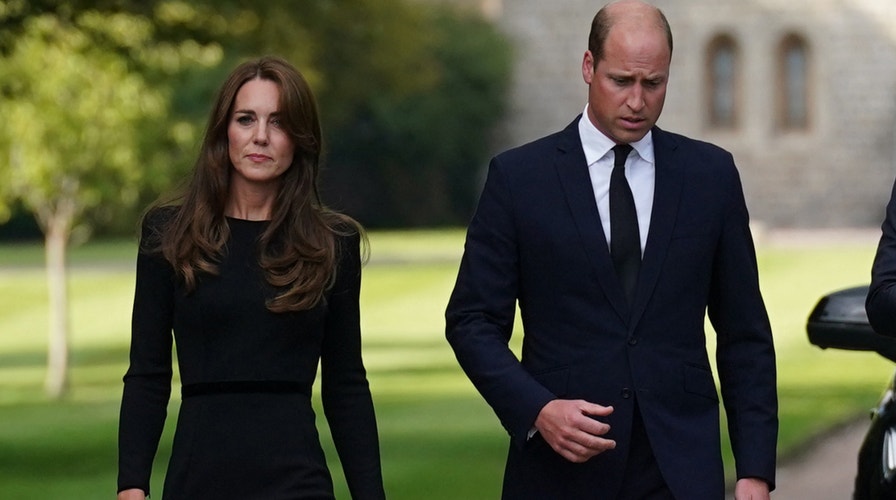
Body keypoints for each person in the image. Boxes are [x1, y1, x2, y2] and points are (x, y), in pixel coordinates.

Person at [445, 1, 778, 498]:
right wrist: (537, 409)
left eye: (654, 83)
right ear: (588, 67)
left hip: (680, 469)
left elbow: (744, 332)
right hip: (560, 469)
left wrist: (754, 470)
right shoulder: (519, 179)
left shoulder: (710, 177)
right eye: (622, 81)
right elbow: (471, 321)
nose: (638, 101)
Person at [117, 56, 385, 500]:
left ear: (300, 139)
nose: (260, 136)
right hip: (197, 478)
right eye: (247, 119)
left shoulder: (331, 243)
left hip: (297, 481)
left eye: (278, 123)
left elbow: (346, 385)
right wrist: (131, 485)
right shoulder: (169, 234)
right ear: (225, 130)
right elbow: (147, 373)